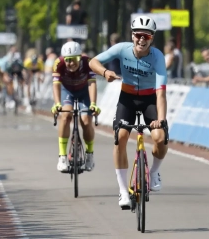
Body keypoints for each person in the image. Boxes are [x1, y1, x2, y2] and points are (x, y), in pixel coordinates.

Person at [89, 16, 168, 208]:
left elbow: (161, 94)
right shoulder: (121, 49)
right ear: (132, 36)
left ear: (152, 39)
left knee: (160, 137)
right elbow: (93, 62)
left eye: (146, 36)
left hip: (150, 99)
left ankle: (155, 171)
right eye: (138, 35)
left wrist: (161, 120)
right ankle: (123, 192)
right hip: (128, 99)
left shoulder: (158, 57)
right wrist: (105, 72)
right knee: (121, 137)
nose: (142, 39)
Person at [51, 41, 101, 172]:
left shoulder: (88, 63)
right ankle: (62, 157)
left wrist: (93, 104)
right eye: (68, 60)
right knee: (65, 116)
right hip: (67, 92)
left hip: (85, 92)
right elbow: (56, 85)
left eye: (74, 60)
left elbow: (92, 84)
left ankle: (89, 154)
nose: (71, 63)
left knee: (85, 121)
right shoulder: (58, 64)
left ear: (80, 57)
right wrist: (57, 104)